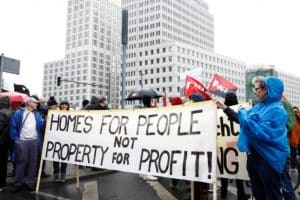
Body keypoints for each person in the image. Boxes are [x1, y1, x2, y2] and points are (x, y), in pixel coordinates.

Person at [216, 76, 292, 199]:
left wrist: (245, 117)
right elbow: (242, 120)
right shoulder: (258, 108)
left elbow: (262, 133)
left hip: (269, 160)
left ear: (266, 90)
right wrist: (226, 109)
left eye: (256, 89)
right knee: (258, 194)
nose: (254, 91)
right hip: (254, 157)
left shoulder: (278, 111)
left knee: (273, 195)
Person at [216, 93, 250, 200]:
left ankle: (223, 194)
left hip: (223, 145)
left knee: (224, 170)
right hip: (237, 145)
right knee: (238, 171)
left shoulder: (219, 111)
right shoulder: (240, 110)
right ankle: (241, 194)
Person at [9, 97, 45, 192]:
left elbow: (42, 127)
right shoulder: (19, 113)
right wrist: (17, 140)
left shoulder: (37, 114)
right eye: (35, 103)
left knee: (33, 163)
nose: (37, 104)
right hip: (22, 141)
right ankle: (18, 183)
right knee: (21, 162)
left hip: (34, 141)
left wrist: (46, 120)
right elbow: (13, 127)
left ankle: (30, 183)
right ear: (29, 103)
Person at [53, 101, 70, 182]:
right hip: (57, 139)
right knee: (55, 157)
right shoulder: (56, 114)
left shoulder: (71, 115)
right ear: (60, 106)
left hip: (66, 140)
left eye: (65, 104)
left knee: (64, 158)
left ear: (68, 106)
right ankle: (56, 174)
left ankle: (63, 174)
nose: (64, 106)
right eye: (62, 104)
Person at [0, 96, 12, 192]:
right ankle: (2, 184)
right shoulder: (11, 112)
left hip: (1, 141)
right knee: (3, 164)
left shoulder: (2, 112)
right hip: (7, 141)